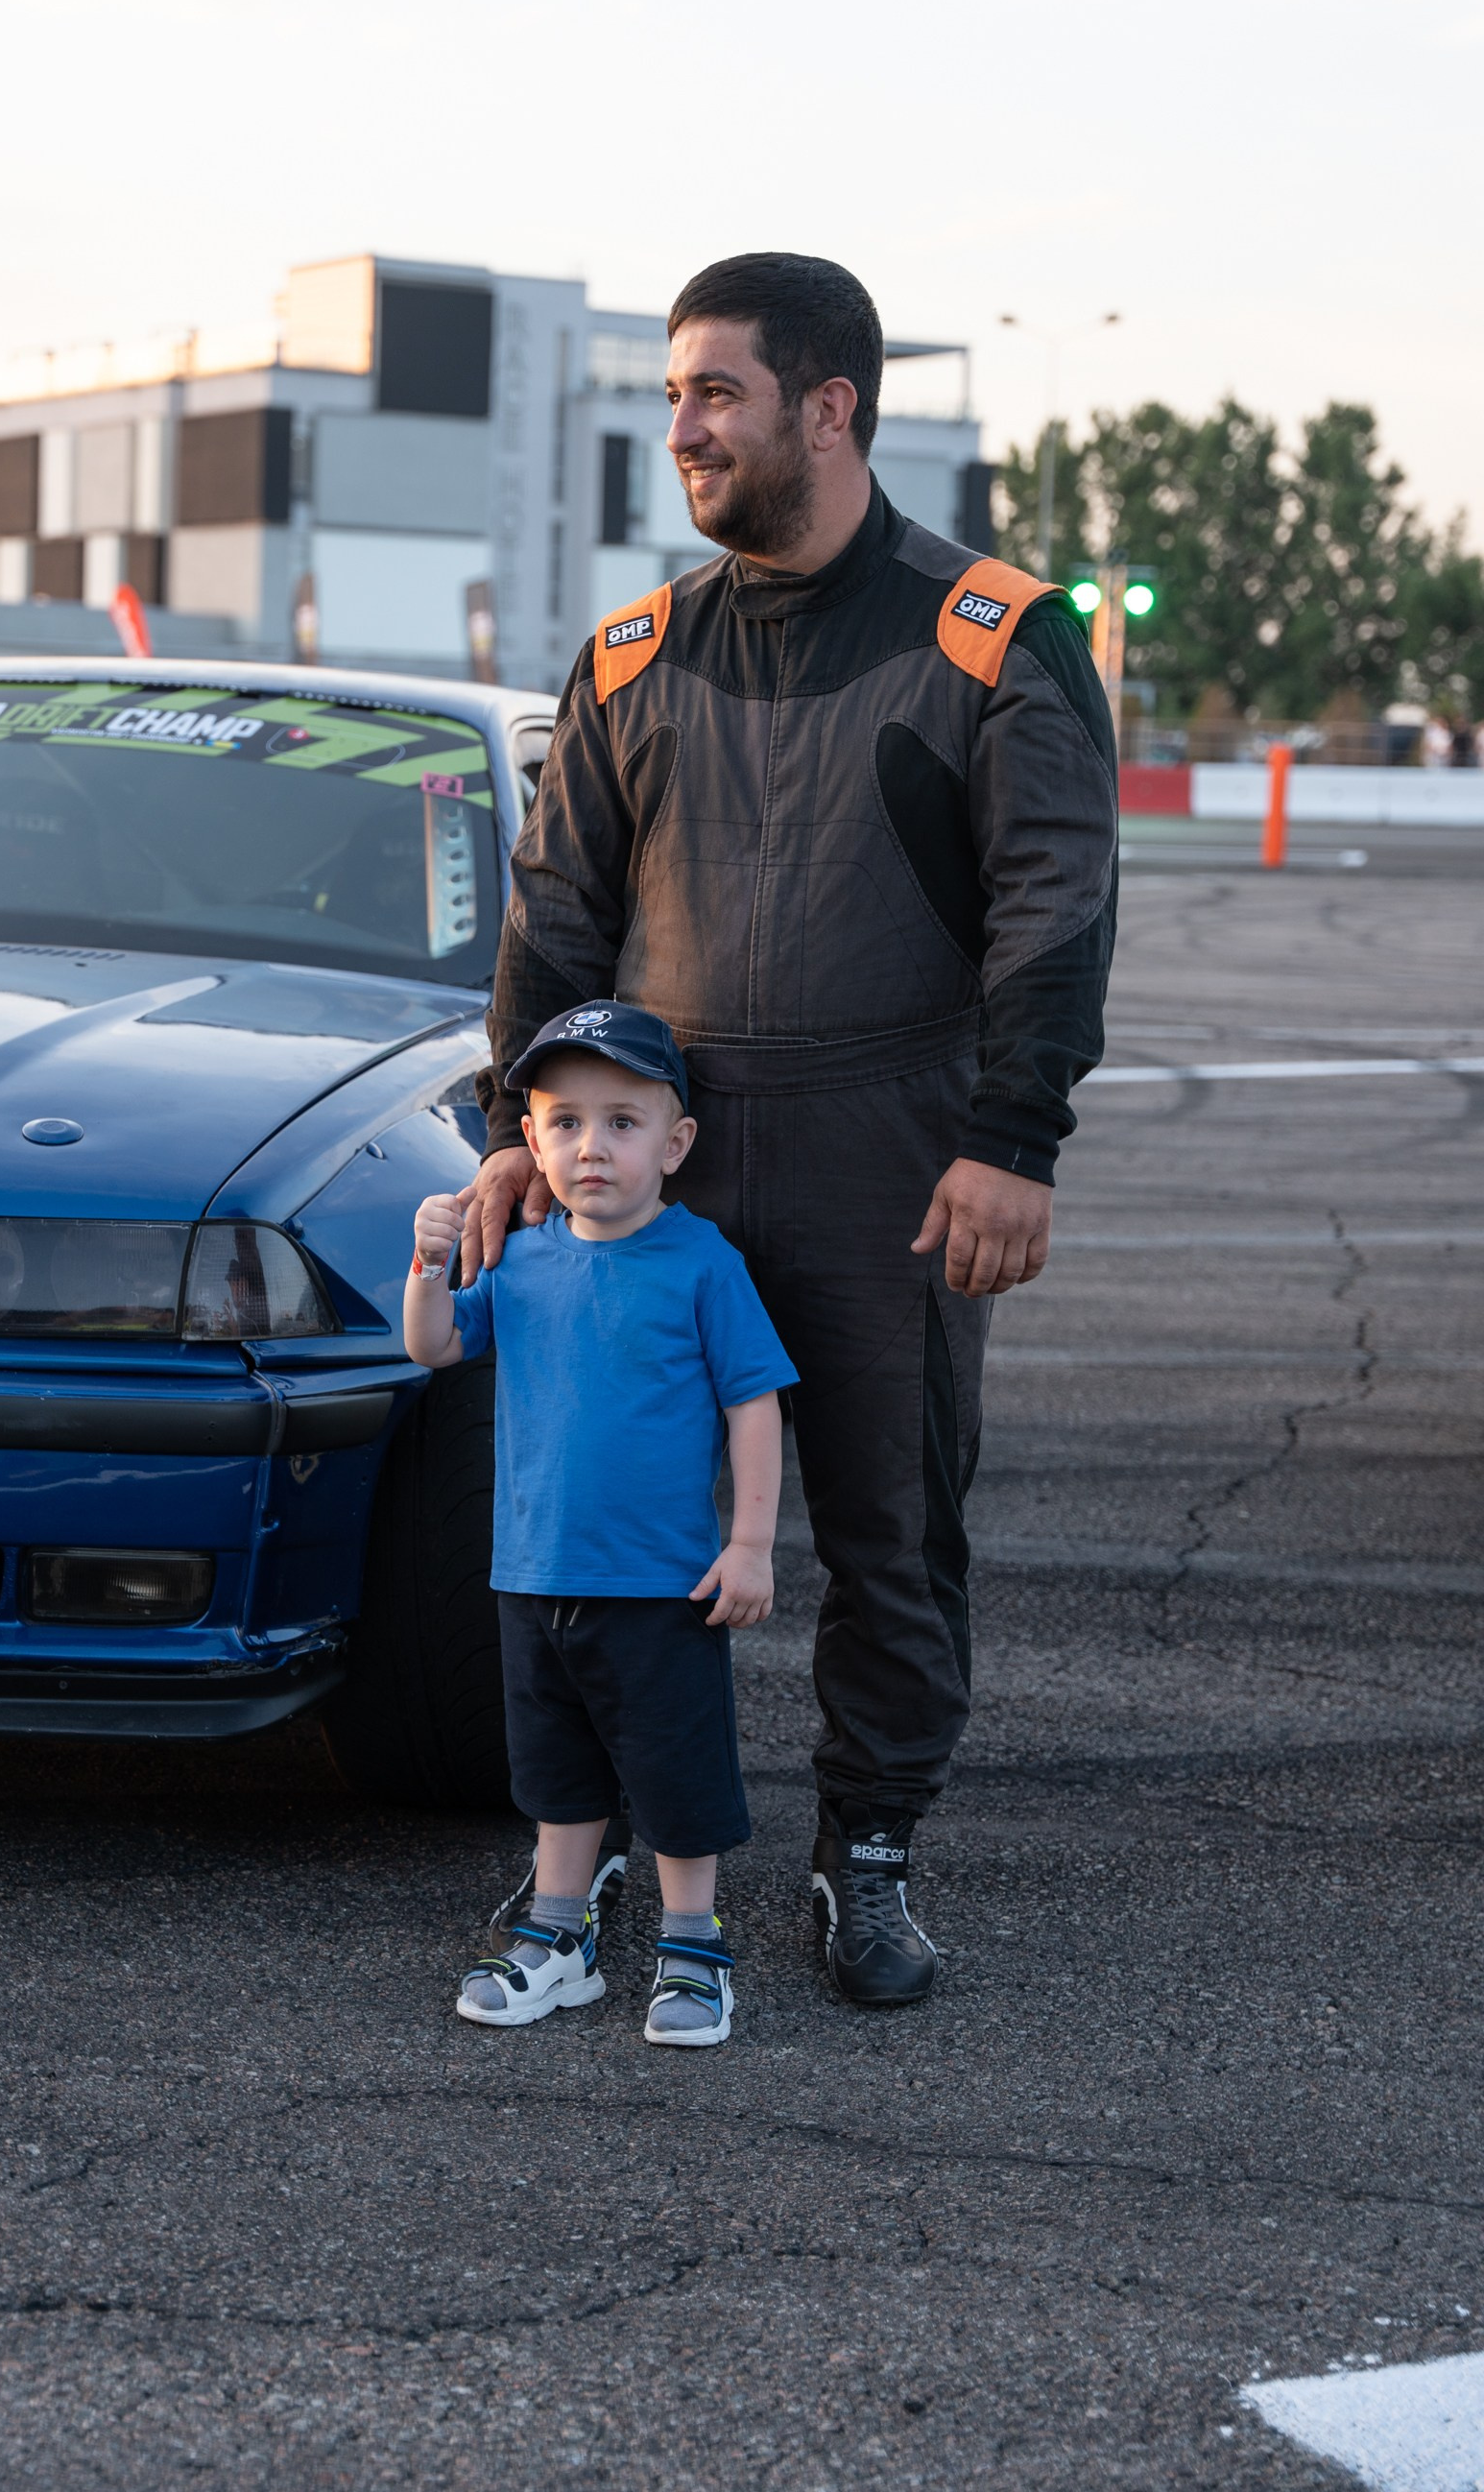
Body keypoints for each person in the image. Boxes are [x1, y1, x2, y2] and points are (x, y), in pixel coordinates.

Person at [462, 252, 1117, 2009]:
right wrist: (519, 1132)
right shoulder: (633, 656)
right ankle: (585, 1866)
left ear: (829, 406)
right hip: (648, 1167)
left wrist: (1014, 1136)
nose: (680, 426)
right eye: (674, 392)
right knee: (596, 1521)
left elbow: (1054, 902)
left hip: (887, 1158)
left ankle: (869, 1852)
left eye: (716, 393)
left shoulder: (993, 637)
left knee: (887, 1531)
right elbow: (556, 912)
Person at [405, 1002, 796, 2047]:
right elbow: (435, 1347)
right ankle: (556, 1938)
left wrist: (749, 1544)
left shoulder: (700, 1263)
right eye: (565, 1121)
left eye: (622, 1122)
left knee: (676, 1775)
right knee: (555, 1774)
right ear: (527, 1139)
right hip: (533, 1574)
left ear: (673, 1145)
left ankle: (691, 1946)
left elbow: (751, 1402)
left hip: (662, 1583)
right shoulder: (523, 1259)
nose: (592, 1146)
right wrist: (426, 1263)